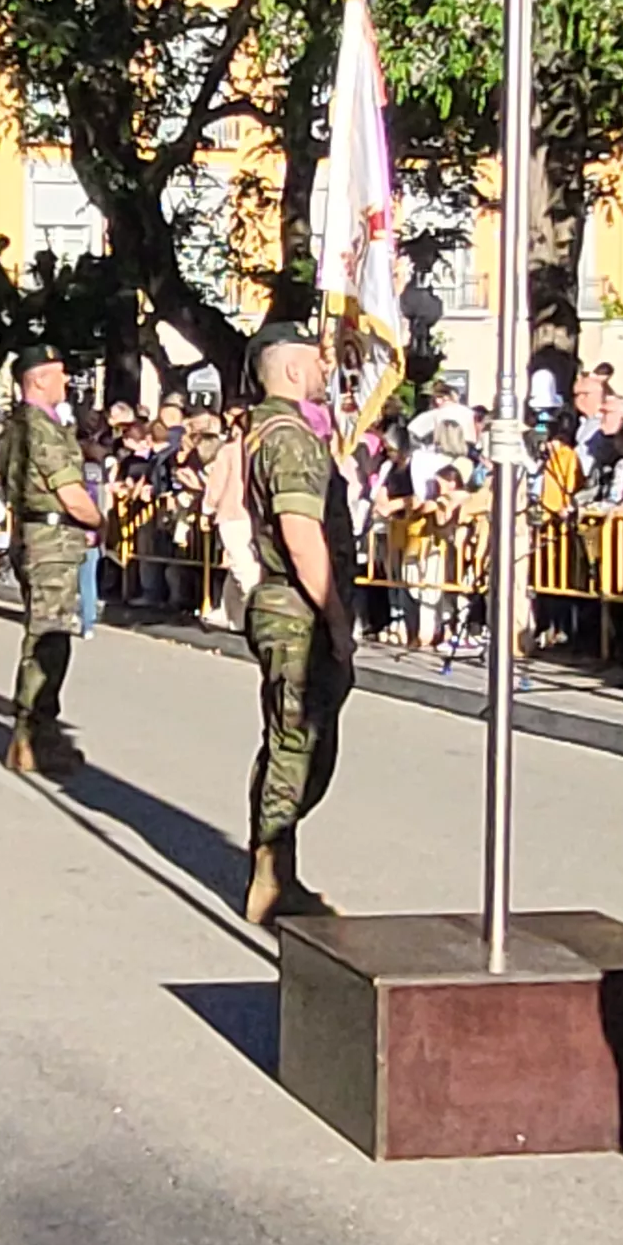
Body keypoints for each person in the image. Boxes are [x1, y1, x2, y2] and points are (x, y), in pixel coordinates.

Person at [238, 325, 352, 925]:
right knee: (296, 746)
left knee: (297, 744)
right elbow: (302, 537)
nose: (324, 370)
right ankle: (273, 875)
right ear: (288, 371)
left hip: (286, 605)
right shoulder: (289, 437)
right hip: (296, 610)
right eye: (315, 362)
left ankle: (276, 861)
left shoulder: (271, 430)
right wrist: (335, 619)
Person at [0, 349, 106, 773]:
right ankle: (35, 733)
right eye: (60, 375)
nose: (67, 382)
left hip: (34, 533)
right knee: (51, 637)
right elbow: (69, 492)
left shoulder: (18, 425)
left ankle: (31, 732)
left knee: (40, 633)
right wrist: (100, 521)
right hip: (52, 538)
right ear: (38, 380)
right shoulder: (39, 426)